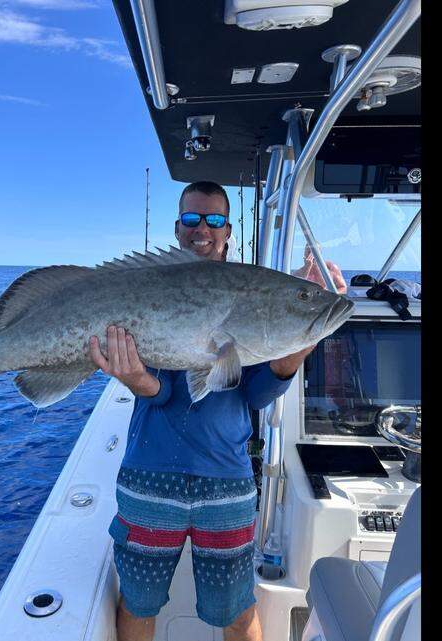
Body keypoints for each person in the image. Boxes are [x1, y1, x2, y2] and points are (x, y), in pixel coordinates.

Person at [88, 182, 345, 641]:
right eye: (191, 219)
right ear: (177, 227)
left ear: (229, 229)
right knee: (137, 605)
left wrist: (302, 338)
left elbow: (255, 396)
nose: (201, 229)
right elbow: (163, 392)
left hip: (226, 484)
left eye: (214, 220)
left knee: (237, 612)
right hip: (149, 479)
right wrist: (136, 379)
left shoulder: (250, 291)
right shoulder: (154, 284)